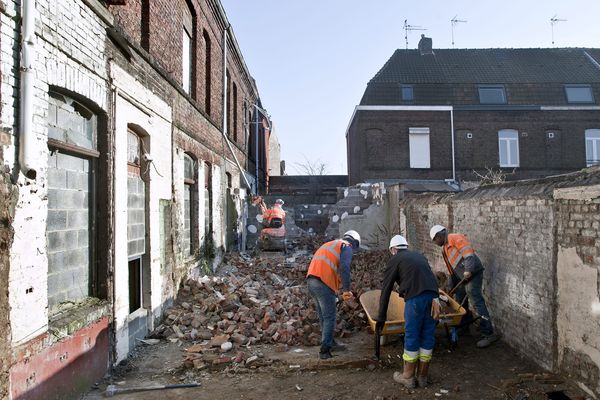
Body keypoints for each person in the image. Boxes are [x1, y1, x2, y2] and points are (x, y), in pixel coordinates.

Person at [375, 235, 440, 388]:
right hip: (434, 299)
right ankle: (422, 377)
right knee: (427, 335)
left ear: (393, 249)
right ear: (406, 246)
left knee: (412, 334)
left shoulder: (395, 259)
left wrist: (381, 318)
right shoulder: (419, 256)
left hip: (416, 300)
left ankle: (408, 377)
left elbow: (386, 290)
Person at [429, 225, 498, 348]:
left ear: (439, 236)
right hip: (462, 276)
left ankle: (489, 334)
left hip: (474, 273)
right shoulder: (445, 249)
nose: (435, 243)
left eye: (435, 240)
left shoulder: (455, 238)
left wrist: (468, 270)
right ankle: (464, 326)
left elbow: (468, 254)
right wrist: (450, 287)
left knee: (475, 298)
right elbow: (451, 270)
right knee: (460, 299)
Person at [306, 230, 361, 359]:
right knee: (330, 317)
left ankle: (330, 342)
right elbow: (344, 267)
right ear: (354, 242)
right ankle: (325, 351)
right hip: (323, 283)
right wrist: (346, 289)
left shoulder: (331, 244)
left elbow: (330, 266)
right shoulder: (346, 246)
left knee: (323, 316)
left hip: (311, 281)